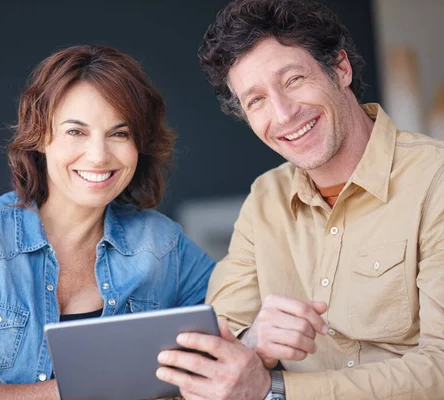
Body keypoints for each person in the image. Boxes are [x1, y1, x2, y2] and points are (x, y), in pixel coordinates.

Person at [155, 0, 444, 399]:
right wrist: (254, 339)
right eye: (255, 100)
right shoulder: (265, 200)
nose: (284, 114)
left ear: (340, 68)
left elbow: (441, 369)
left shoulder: (435, 180)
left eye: (293, 80)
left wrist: (273, 387)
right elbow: (217, 347)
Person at [0, 44, 215, 400]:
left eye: (119, 133)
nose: (98, 156)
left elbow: (234, 329)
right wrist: (90, 389)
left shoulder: (162, 244)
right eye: (76, 132)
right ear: (40, 136)